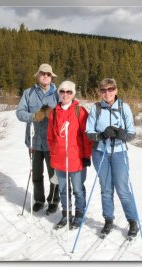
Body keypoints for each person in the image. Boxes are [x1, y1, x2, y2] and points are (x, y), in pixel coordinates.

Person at [85, 78, 139, 238]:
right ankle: (108, 220)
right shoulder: (96, 108)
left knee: (122, 189)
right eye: (103, 90)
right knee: (106, 189)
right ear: (100, 92)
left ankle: (132, 221)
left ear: (116, 90)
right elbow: (89, 132)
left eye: (110, 89)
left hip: (119, 152)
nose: (107, 93)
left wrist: (124, 135)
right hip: (100, 153)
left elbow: (132, 132)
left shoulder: (124, 107)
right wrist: (101, 135)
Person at [47, 80, 92, 229]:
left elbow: (86, 136)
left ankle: (79, 214)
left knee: (78, 189)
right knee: (63, 189)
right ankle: (66, 214)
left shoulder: (80, 111)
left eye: (68, 92)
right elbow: (51, 137)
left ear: (73, 94)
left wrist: (86, 156)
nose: (65, 94)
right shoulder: (54, 112)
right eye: (62, 91)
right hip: (59, 159)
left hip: (76, 158)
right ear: (59, 93)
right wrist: (54, 153)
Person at [16, 63, 60, 215]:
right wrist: (34, 116)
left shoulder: (58, 94)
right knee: (36, 174)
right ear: (38, 75)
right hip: (34, 141)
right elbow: (20, 113)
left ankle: (54, 201)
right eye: (43, 73)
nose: (45, 76)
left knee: (54, 175)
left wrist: (51, 114)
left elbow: (64, 114)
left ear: (51, 77)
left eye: (48, 74)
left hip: (52, 142)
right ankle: (39, 200)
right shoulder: (28, 93)